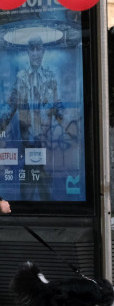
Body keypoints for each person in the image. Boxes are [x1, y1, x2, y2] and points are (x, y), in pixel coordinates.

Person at [0, 35, 67, 201]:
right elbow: (11, 104)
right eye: (32, 49)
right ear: (28, 52)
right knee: (31, 174)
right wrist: (2, 124)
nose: (35, 54)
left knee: (41, 176)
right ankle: (29, 210)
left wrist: (66, 125)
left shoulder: (51, 76)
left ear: (43, 52)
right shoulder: (21, 77)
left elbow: (59, 104)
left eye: (38, 49)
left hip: (46, 137)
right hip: (26, 137)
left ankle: (44, 209)